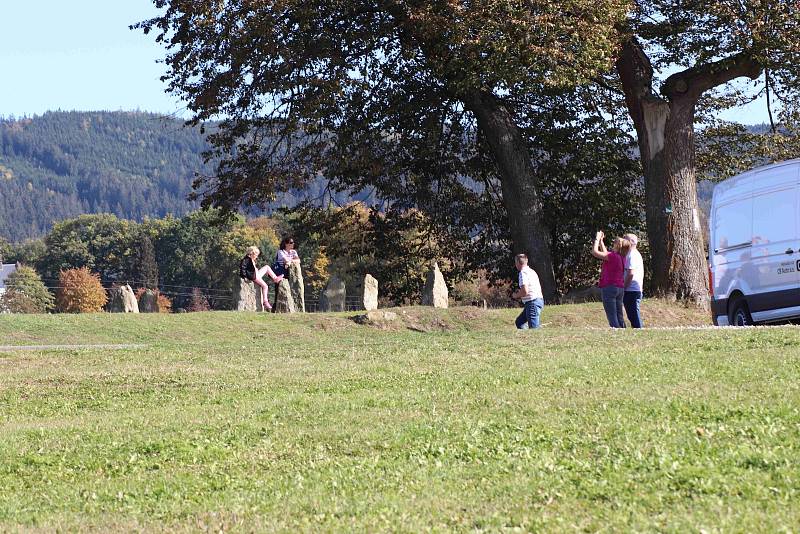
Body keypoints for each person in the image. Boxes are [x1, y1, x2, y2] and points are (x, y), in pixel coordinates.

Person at [591, 231, 630, 328]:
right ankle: (623, 330)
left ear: (618, 246)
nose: (613, 244)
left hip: (609, 287)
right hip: (620, 288)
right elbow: (606, 254)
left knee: (611, 314)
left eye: (615, 243)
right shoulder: (622, 257)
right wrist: (601, 242)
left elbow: (595, 252)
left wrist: (597, 239)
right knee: (619, 314)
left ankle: (616, 332)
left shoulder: (612, 257)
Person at [239, 246, 284, 310]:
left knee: (267, 267)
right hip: (254, 276)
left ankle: (275, 278)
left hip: (255, 274)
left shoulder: (250, 259)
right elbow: (242, 268)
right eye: (256, 255)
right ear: (252, 253)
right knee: (265, 286)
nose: (257, 257)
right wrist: (244, 277)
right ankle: (265, 301)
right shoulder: (246, 259)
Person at [511, 253, 544, 329]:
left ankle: (536, 339)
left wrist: (515, 295)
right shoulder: (532, 271)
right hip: (538, 300)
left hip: (532, 302)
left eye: (515, 262)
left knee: (534, 329)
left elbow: (525, 291)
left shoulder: (523, 273)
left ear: (518, 263)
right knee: (519, 322)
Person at [622, 233, 644, 328]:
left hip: (632, 290)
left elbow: (631, 273)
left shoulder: (632, 255)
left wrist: (624, 287)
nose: (623, 241)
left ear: (631, 242)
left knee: (634, 314)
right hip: (631, 289)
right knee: (631, 314)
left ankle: (640, 332)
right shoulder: (630, 254)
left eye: (625, 240)